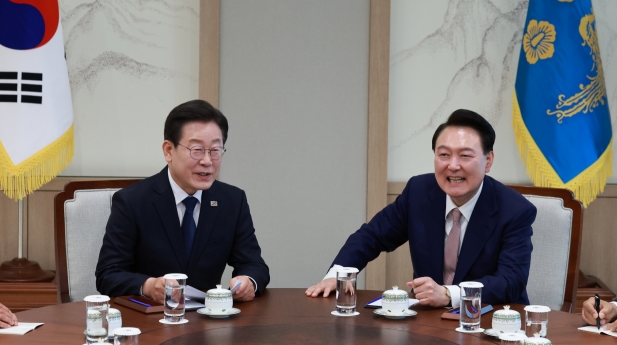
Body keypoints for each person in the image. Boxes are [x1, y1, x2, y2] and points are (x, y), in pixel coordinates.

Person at [306, 109, 537, 307]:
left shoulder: (514, 210)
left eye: (465, 156)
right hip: (428, 323)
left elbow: (510, 281)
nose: (452, 166)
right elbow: (373, 235)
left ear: (488, 161)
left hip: (492, 321)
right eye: (443, 154)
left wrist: (448, 295)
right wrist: (338, 275)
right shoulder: (419, 191)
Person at [96, 100, 269, 303]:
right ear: (169, 151)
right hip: (151, 321)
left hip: (209, 323)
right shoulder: (132, 201)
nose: (207, 160)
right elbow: (108, 275)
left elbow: (255, 266)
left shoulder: (232, 201)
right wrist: (149, 286)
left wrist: (248, 281)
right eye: (197, 150)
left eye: (215, 150)